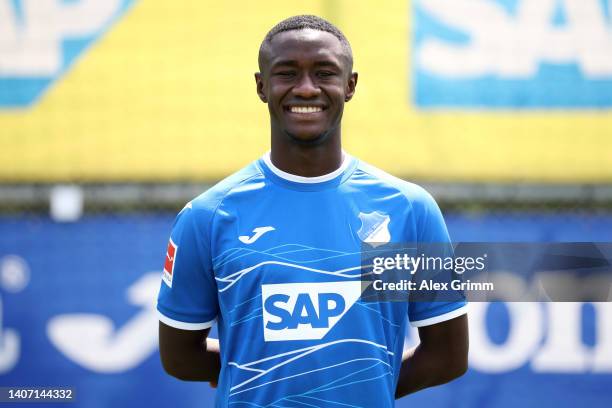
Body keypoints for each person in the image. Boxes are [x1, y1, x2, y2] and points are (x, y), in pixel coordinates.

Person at [157, 15, 468, 407]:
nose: (306, 89)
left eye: (324, 73)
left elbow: (448, 356)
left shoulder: (410, 209)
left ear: (350, 86)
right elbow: (180, 356)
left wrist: (358, 390)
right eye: (287, 73)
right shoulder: (207, 216)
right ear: (261, 87)